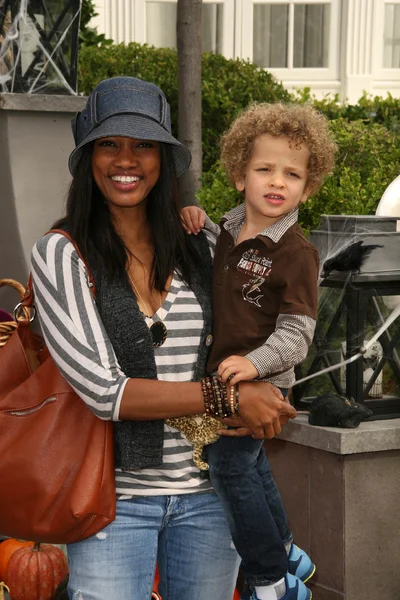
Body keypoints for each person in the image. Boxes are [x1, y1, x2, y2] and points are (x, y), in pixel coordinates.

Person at [30, 77, 297, 600]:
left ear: (163, 159)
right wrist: (230, 396)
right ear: (87, 157)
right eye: (109, 144)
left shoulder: (203, 243)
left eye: (143, 145)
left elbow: (263, 324)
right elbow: (108, 393)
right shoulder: (63, 254)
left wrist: (270, 389)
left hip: (212, 497)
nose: (125, 160)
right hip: (113, 503)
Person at [180, 102, 338, 600]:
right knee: (249, 463)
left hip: (259, 382)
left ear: (307, 188)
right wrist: (196, 217)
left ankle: (270, 579)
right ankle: (288, 548)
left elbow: (296, 336)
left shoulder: (296, 253)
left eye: (292, 174)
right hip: (230, 376)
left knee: (228, 465)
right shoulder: (227, 232)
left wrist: (254, 365)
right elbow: (210, 248)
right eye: (264, 169)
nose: (277, 181)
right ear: (238, 176)